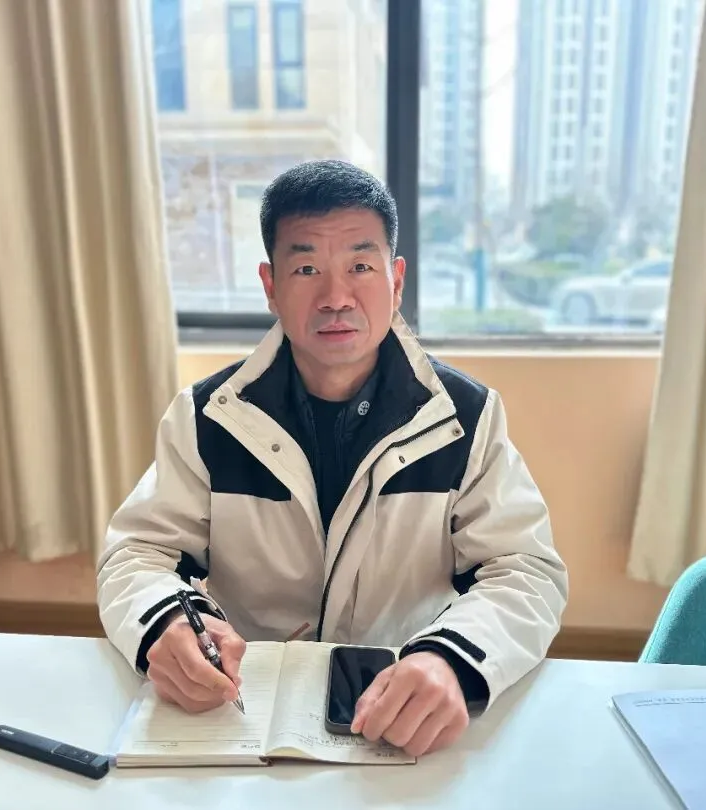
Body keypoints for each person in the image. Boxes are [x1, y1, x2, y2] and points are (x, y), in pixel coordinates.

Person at [97, 159, 568, 758]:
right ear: (270, 286)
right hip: (244, 709)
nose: (336, 298)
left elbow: (524, 569)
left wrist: (452, 659)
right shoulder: (209, 417)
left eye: (361, 266)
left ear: (396, 280)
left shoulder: (464, 417)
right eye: (306, 269)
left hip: (402, 704)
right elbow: (137, 553)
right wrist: (164, 621)